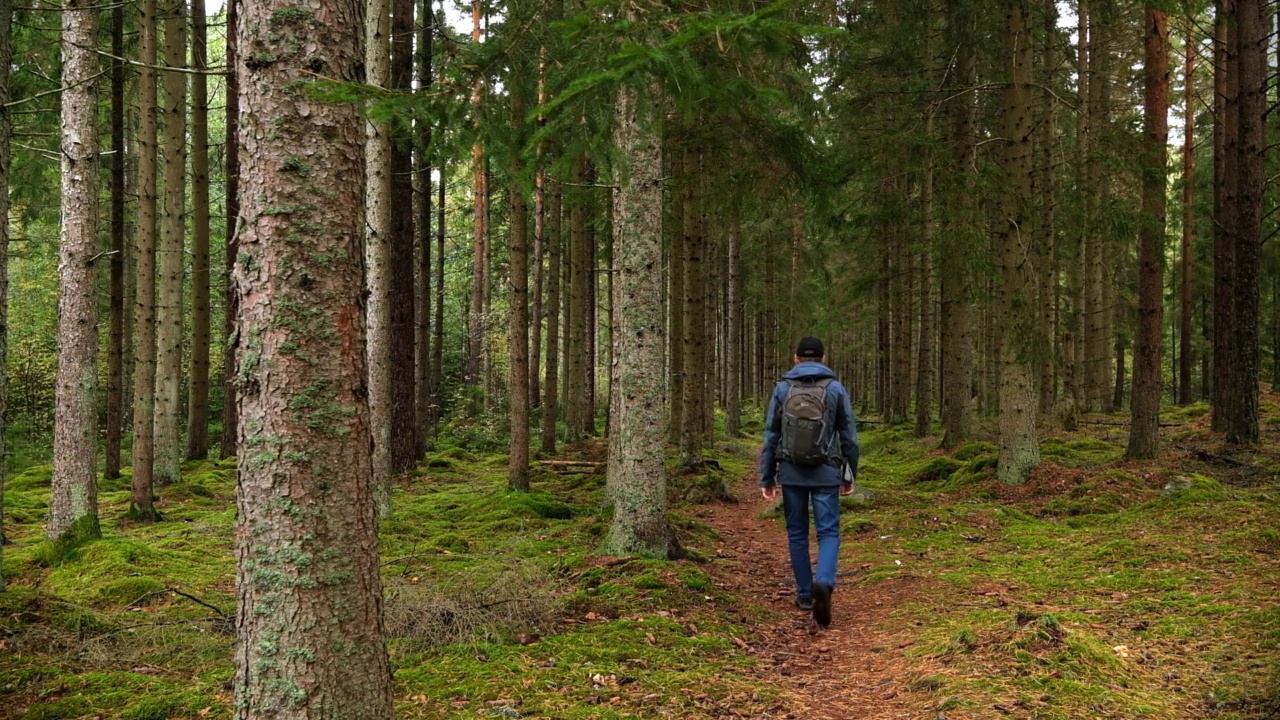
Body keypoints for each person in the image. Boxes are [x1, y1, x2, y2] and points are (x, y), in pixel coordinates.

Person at [759, 336, 859, 629]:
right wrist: (849, 473)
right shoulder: (835, 389)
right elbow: (849, 438)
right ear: (823, 358)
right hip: (827, 471)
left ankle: (804, 594)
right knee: (828, 532)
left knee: (797, 533)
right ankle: (825, 581)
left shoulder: (783, 388)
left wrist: (767, 476)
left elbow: (771, 435)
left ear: (796, 358)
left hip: (791, 471)